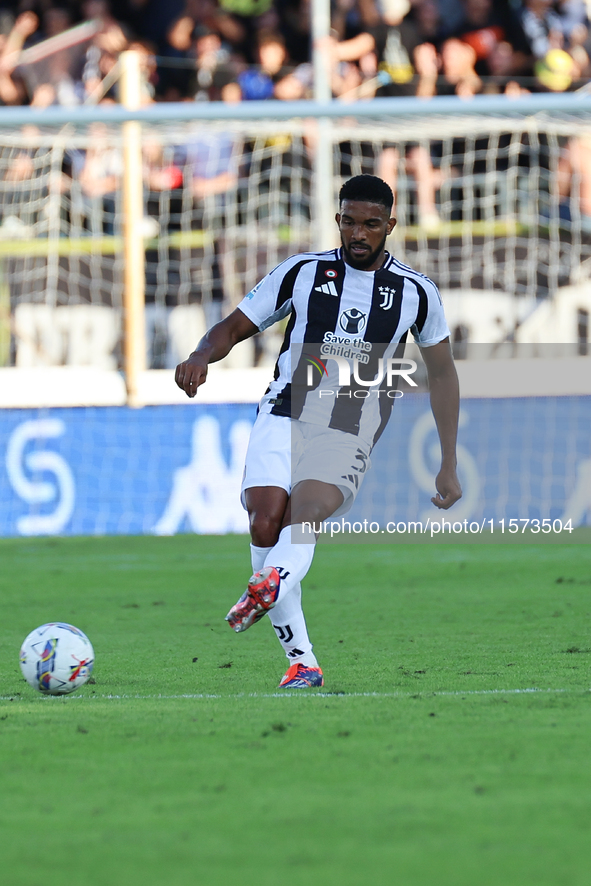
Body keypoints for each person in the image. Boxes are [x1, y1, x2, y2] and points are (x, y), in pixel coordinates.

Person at [175, 174, 462, 689]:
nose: (358, 233)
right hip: (285, 407)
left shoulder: (417, 293)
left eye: (371, 224)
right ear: (338, 220)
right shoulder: (301, 273)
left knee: (306, 514)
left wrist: (448, 461)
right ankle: (301, 660)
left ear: (390, 226)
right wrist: (200, 354)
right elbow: (235, 326)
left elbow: (442, 373)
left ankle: (270, 584)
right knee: (265, 522)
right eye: (349, 222)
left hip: (352, 416)